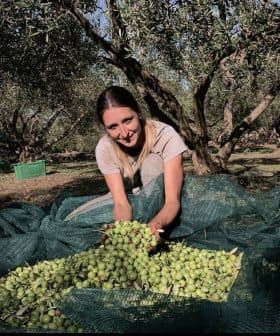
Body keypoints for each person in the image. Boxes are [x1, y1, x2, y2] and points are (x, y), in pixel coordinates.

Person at [66, 86, 188, 241]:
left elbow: (172, 202)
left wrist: (156, 225)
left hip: (162, 202)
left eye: (127, 120)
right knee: (72, 220)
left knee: (152, 162)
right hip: (127, 198)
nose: (124, 133)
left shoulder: (165, 136)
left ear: (138, 113)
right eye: (113, 127)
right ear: (105, 128)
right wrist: (121, 228)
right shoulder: (105, 148)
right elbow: (121, 203)